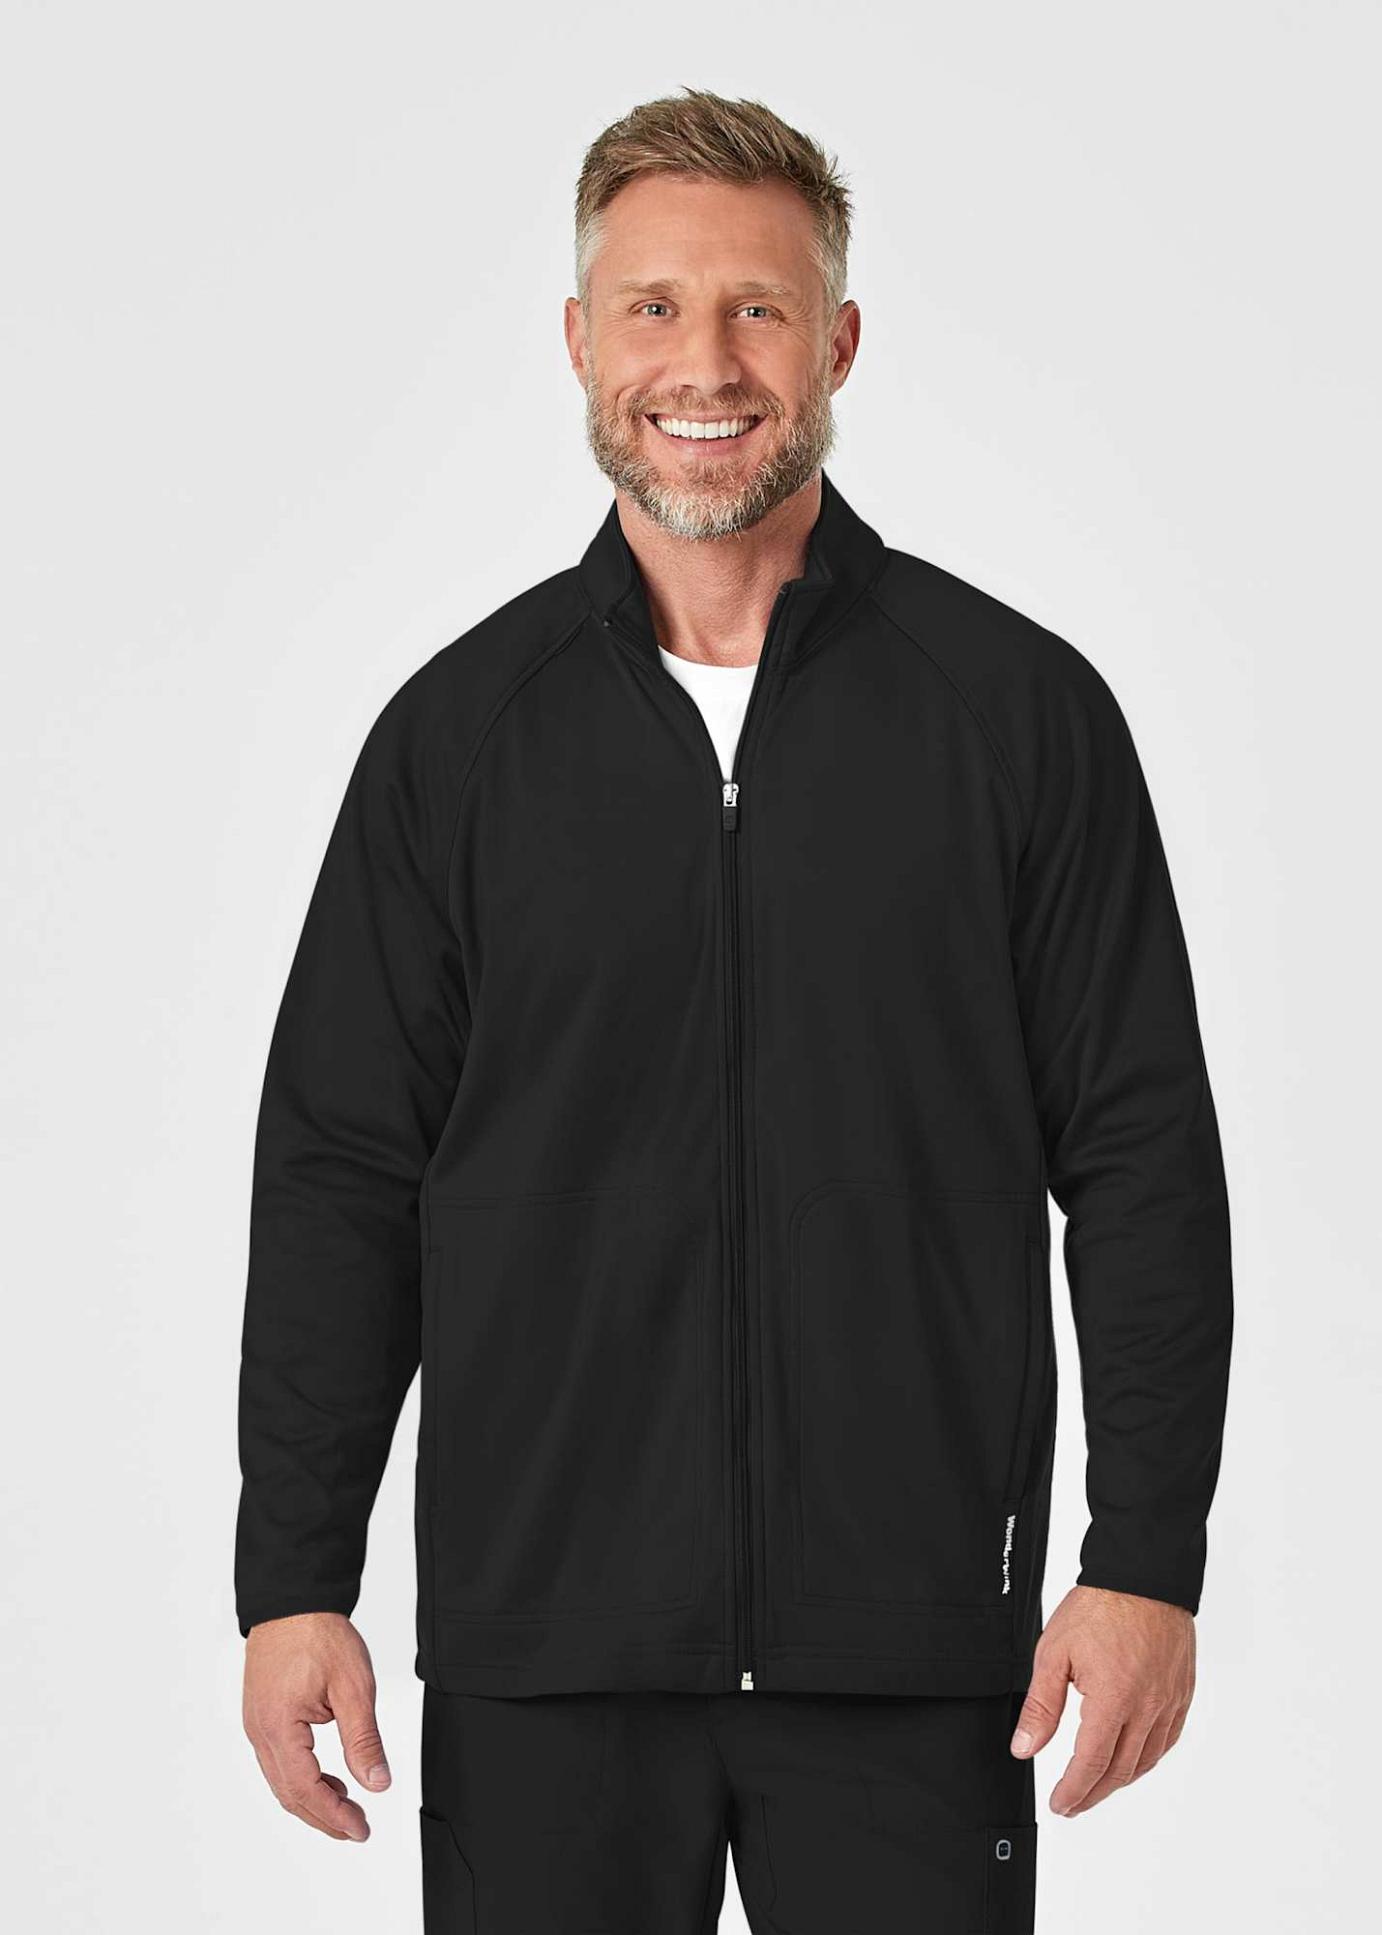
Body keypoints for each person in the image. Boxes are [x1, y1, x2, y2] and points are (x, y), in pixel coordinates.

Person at [235, 86, 1234, 1933]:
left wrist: (1145, 1556)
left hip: (910, 1645)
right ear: (580, 341)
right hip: (545, 1650)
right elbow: (340, 1172)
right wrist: (293, 1576)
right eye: (654, 307)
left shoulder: (1015, 717)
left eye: (758, 309)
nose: (704, 364)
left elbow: (1140, 1152)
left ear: (836, 343)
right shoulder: (458, 743)